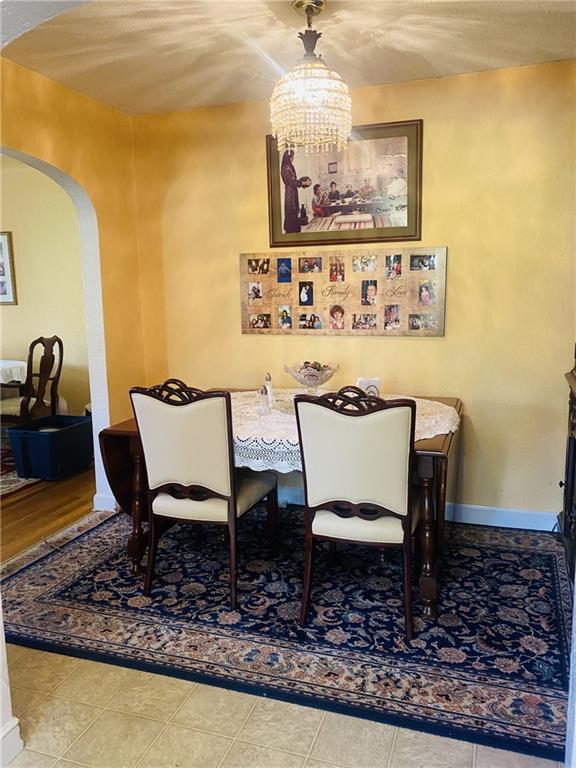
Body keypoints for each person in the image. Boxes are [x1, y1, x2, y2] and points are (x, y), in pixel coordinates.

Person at [281, 150, 311, 233]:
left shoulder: (289, 166)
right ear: (289, 157)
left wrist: (302, 182)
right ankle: (291, 229)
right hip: (290, 193)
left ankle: (294, 228)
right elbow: (290, 182)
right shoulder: (286, 168)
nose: (293, 158)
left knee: (294, 210)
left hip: (292, 192)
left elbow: (293, 182)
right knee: (291, 210)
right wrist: (302, 182)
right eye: (292, 156)